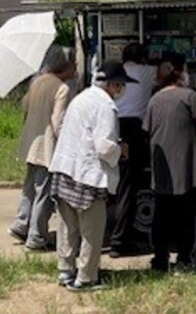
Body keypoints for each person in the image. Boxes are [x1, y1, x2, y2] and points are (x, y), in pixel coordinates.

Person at [49, 62, 136, 291]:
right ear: (113, 85)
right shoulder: (105, 106)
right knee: (92, 230)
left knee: (67, 227)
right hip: (88, 175)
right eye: (120, 85)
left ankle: (65, 271)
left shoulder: (81, 97)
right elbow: (103, 146)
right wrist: (121, 150)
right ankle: (86, 278)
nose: (121, 90)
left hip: (64, 168)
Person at [143, 53, 196, 273]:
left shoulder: (154, 99)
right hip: (186, 168)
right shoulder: (189, 96)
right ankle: (184, 261)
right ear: (179, 73)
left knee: (161, 216)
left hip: (162, 168)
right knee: (186, 216)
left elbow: (147, 129)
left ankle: (160, 260)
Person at [8, 45, 76, 251]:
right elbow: (58, 121)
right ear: (66, 65)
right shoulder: (61, 88)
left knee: (29, 188)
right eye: (74, 63)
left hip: (30, 142)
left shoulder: (36, 82)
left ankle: (21, 224)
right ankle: (37, 237)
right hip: (47, 146)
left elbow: (26, 108)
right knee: (44, 192)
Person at [109, 43, 158, 258]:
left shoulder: (113, 72)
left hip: (111, 127)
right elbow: (166, 75)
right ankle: (120, 242)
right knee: (128, 187)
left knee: (113, 185)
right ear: (143, 59)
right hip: (132, 132)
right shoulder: (146, 71)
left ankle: (103, 234)